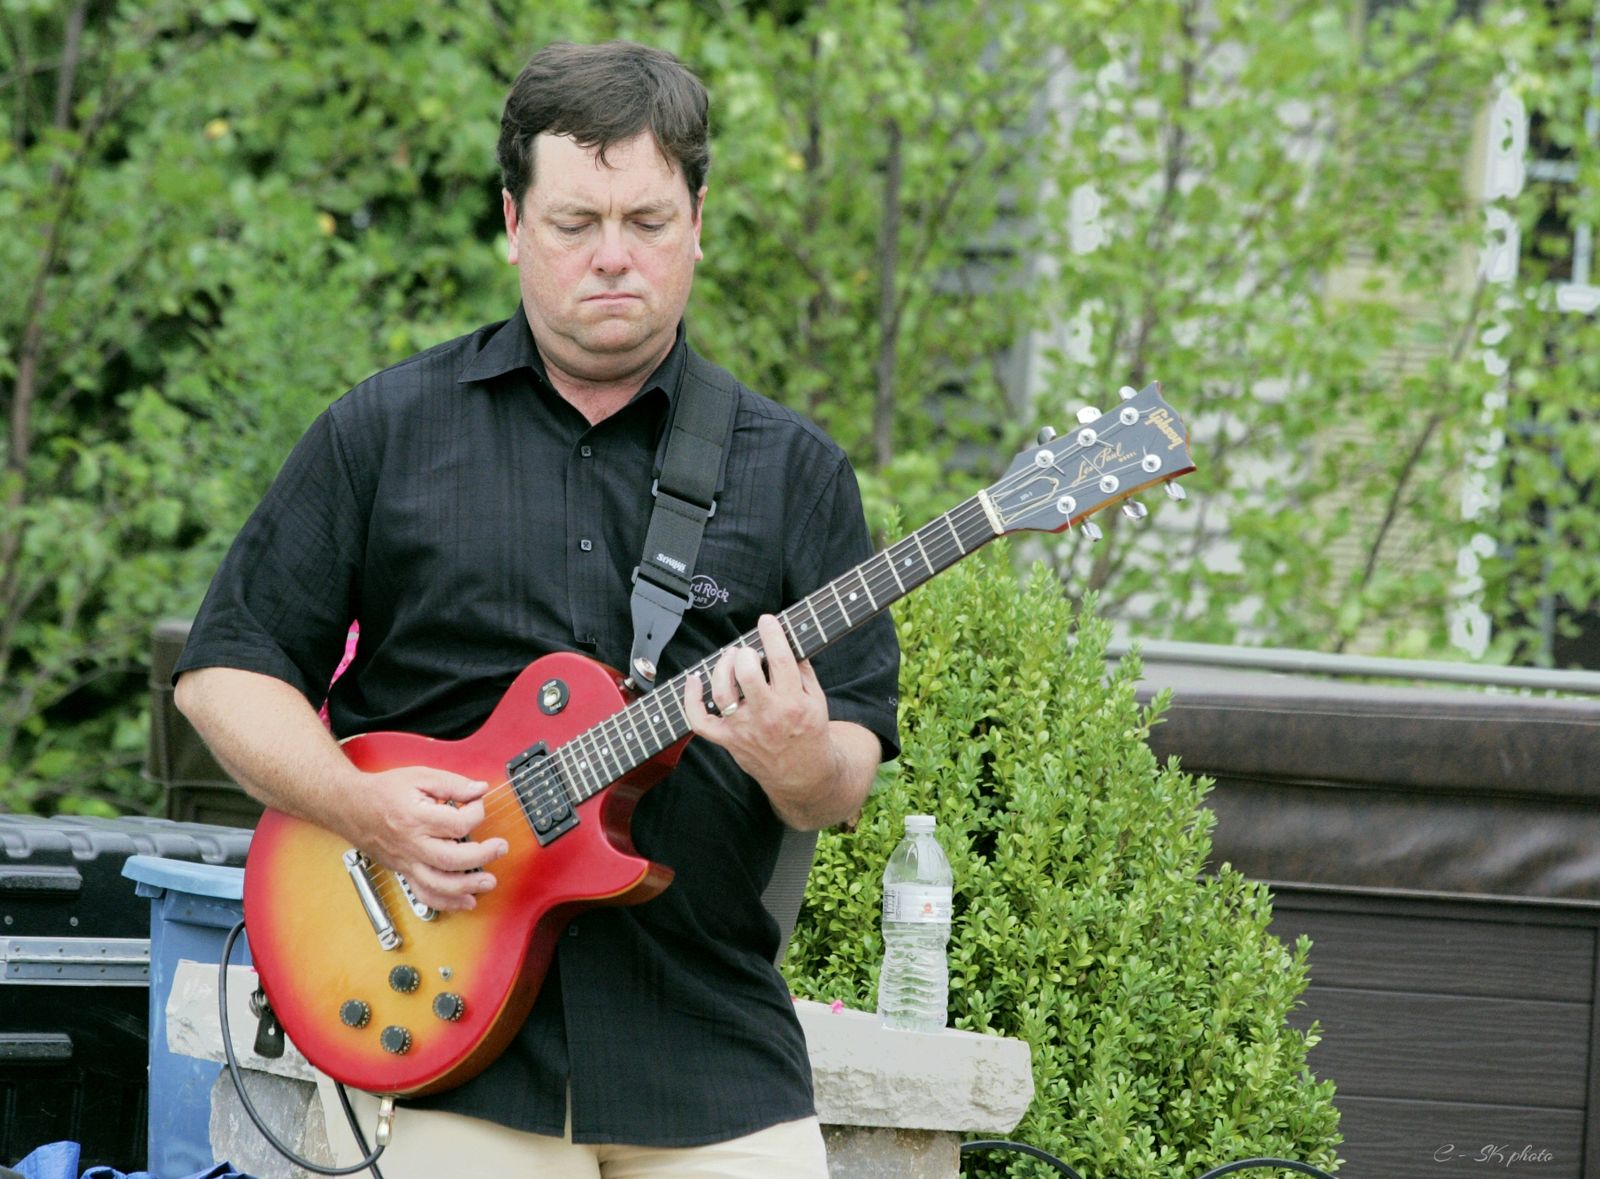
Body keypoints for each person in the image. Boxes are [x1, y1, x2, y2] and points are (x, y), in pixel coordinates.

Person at [173, 39, 900, 1179]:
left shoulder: (795, 471)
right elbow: (226, 672)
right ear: (513, 223)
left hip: (707, 1041)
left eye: (647, 221)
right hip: (450, 1047)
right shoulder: (385, 431)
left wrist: (797, 755)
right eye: (575, 222)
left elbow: (842, 777)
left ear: (698, 223)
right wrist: (361, 808)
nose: (613, 255)